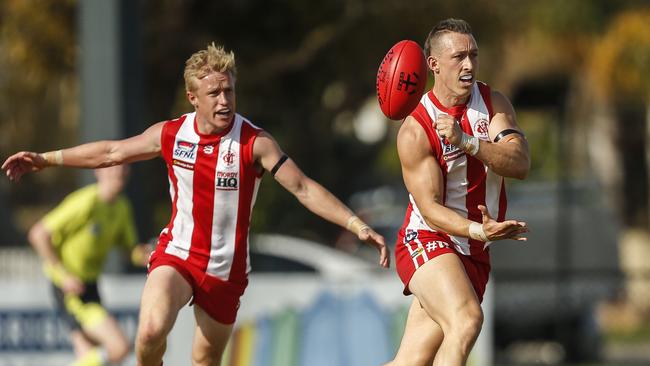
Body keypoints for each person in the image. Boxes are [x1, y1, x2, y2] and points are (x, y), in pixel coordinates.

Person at [3, 43, 389, 366]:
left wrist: (357, 225)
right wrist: (46, 158)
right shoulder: (171, 134)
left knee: (204, 362)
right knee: (151, 331)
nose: (224, 101)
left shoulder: (255, 142)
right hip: (178, 255)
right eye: (214, 94)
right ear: (193, 98)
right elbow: (110, 152)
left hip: (226, 269)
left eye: (229, 91)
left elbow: (303, 188)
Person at [385, 18, 530, 366]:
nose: (469, 65)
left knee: (412, 361)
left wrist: (466, 142)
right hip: (428, 239)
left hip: (473, 249)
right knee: (466, 321)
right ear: (433, 64)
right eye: (459, 57)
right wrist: (479, 229)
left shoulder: (492, 103)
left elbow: (519, 162)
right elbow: (431, 209)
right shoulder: (416, 129)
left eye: (474, 56)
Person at [27, 164, 151, 366]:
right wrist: (63, 275)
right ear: (98, 172)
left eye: (122, 169)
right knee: (119, 347)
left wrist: (146, 256)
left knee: (88, 358)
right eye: (111, 168)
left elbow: (129, 250)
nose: (117, 173)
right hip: (70, 290)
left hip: (91, 286)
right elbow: (38, 234)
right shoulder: (86, 202)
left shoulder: (121, 207)